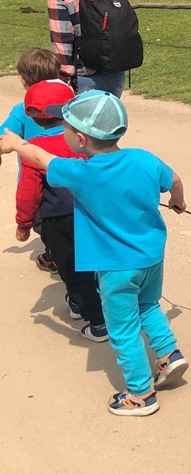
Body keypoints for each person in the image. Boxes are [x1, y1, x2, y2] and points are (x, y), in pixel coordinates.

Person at [0, 90, 189, 416]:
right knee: (147, 305)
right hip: (151, 257)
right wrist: (178, 200)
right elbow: (174, 179)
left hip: (116, 268)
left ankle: (141, 394)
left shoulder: (83, 173)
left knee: (123, 330)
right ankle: (168, 354)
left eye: (66, 128)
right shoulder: (143, 158)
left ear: (81, 139)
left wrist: (16, 143)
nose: (63, 132)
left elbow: (42, 159)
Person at [13, 79, 107, 341]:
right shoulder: (86, 139)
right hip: (93, 212)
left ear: (33, 115)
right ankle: (82, 302)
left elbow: (29, 193)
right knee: (94, 264)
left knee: (72, 271)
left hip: (58, 220)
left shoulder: (35, 149)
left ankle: (98, 322)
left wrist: (23, 223)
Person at [1, 47, 65, 273]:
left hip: (37, 175)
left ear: (22, 79)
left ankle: (55, 256)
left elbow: (4, 136)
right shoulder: (68, 102)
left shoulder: (22, 110)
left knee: (44, 220)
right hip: (70, 171)